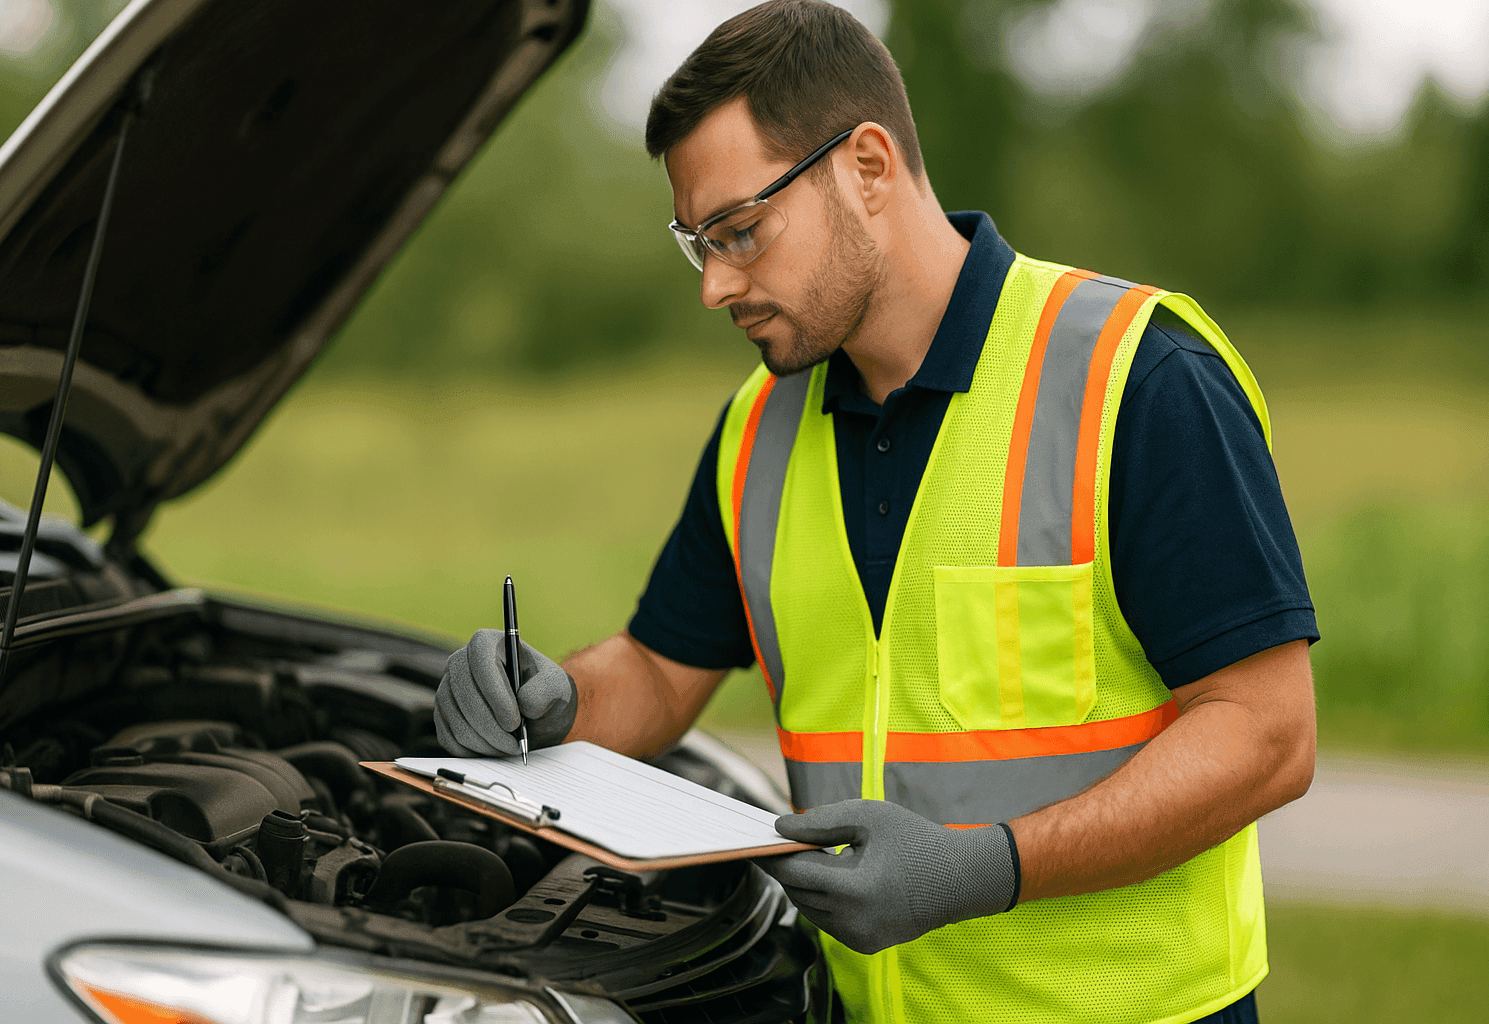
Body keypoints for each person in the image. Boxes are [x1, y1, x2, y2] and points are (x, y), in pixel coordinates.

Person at [433, 2, 1318, 1021]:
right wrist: (558, 701)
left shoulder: (1138, 377)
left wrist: (982, 869)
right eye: (698, 242)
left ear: (866, 166)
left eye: (741, 231)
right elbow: (659, 668)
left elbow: (1266, 733)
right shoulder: (759, 430)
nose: (716, 285)